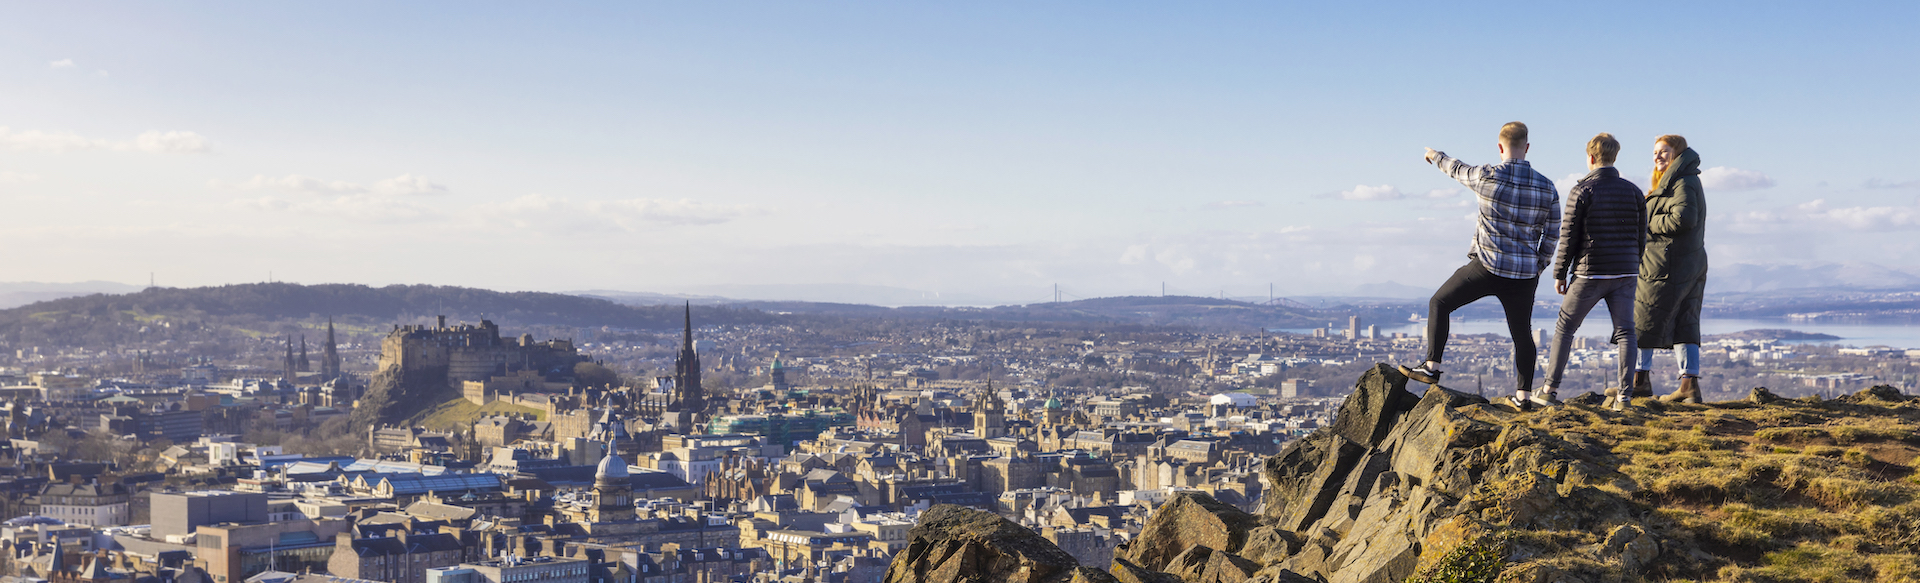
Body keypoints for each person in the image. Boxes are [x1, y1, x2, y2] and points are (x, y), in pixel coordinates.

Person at [1400, 122, 1561, 412]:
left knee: (1440, 302)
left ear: (1500, 148)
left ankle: (1431, 367)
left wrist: (1435, 156)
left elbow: (1456, 168)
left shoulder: (1486, 176)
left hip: (1486, 266)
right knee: (1522, 334)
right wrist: (1538, 265)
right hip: (1524, 274)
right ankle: (1523, 396)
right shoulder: (1547, 187)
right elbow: (1553, 233)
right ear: (1526, 147)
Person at [1539, 133, 1646, 411]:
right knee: (1626, 332)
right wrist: (1635, 263)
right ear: (1614, 157)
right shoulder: (1634, 191)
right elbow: (1641, 235)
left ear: (1590, 158)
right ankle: (1624, 398)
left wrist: (1559, 273)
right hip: (1625, 272)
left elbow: (1569, 236)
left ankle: (1549, 389)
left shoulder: (1582, 191)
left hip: (1590, 272)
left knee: (1565, 327)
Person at [1635, 134, 1708, 403]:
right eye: (1655, 152)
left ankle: (1638, 381)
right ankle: (1689, 386)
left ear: (1677, 153)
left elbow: (1684, 218)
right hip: (1686, 261)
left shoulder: (1682, 181)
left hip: (1666, 264)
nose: (1657, 156)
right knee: (1685, 322)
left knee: (1642, 318)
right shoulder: (1679, 181)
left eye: (1664, 151)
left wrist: (1647, 221)